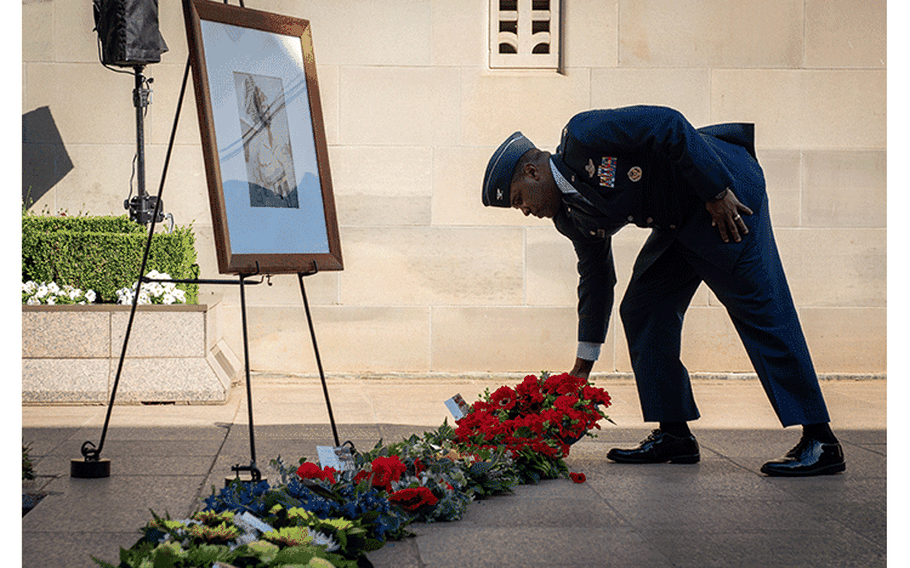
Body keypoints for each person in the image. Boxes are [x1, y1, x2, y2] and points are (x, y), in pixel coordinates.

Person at [481, 105, 845, 477]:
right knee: (643, 307)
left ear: (532, 171)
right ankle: (674, 435)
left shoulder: (584, 135)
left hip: (726, 196)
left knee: (761, 309)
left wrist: (717, 191)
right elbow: (596, 280)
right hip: (678, 221)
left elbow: (667, 124)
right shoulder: (571, 218)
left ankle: (821, 440)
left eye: (518, 199)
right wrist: (582, 367)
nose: (524, 210)